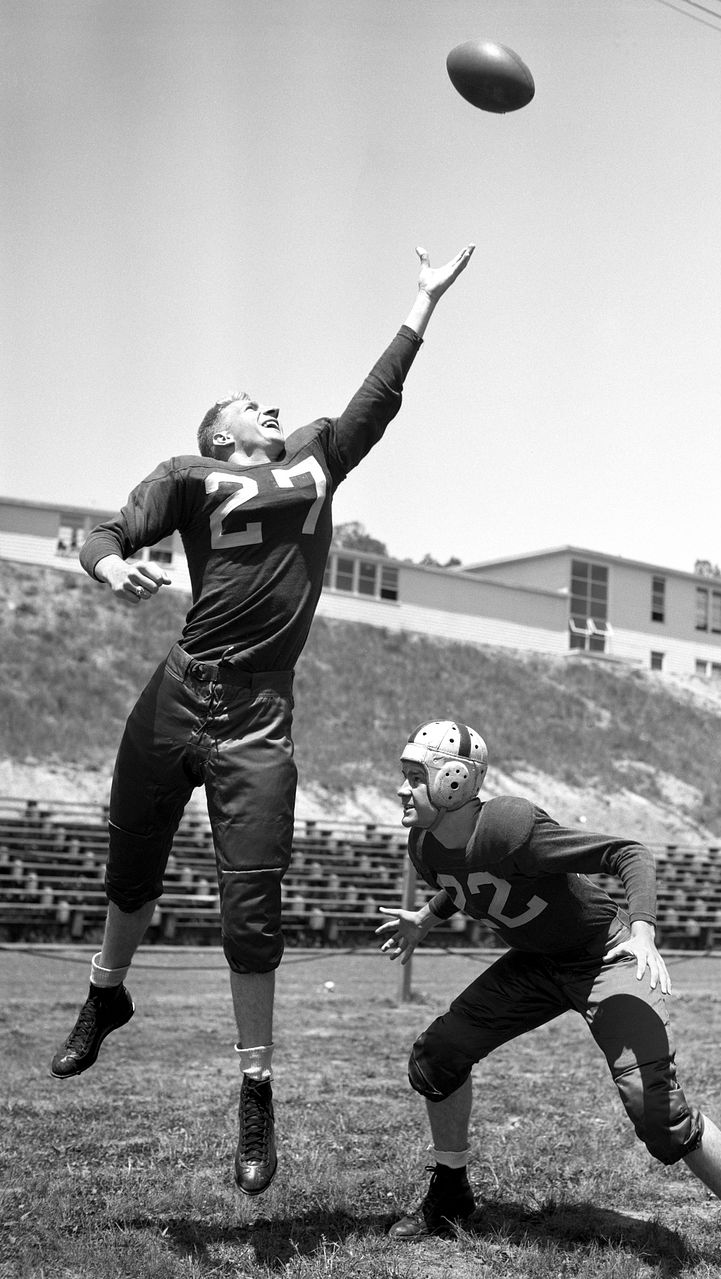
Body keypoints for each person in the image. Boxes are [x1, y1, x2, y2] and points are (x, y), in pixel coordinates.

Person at [47, 244, 475, 1199]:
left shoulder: (318, 458)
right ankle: (104, 995)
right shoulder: (188, 471)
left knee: (252, 911)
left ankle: (256, 1092)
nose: (267, 403)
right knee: (132, 859)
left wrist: (421, 301)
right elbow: (107, 531)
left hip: (259, 713)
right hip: (179, 686)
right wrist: (111, 567)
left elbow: (377, 402)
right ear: (219, 428)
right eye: (249, 400)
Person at [376, 720, 721, 1279]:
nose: (402, 788)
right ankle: (451, 1192)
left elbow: (630, 853)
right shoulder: (424, 845)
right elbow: (464, 881)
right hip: (537, 965)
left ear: (453, 781)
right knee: (437, 1056)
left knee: (655, 1108)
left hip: (603, 954)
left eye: (414, 776)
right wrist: (427, 918)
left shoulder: (510, 825)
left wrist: (642, 931)